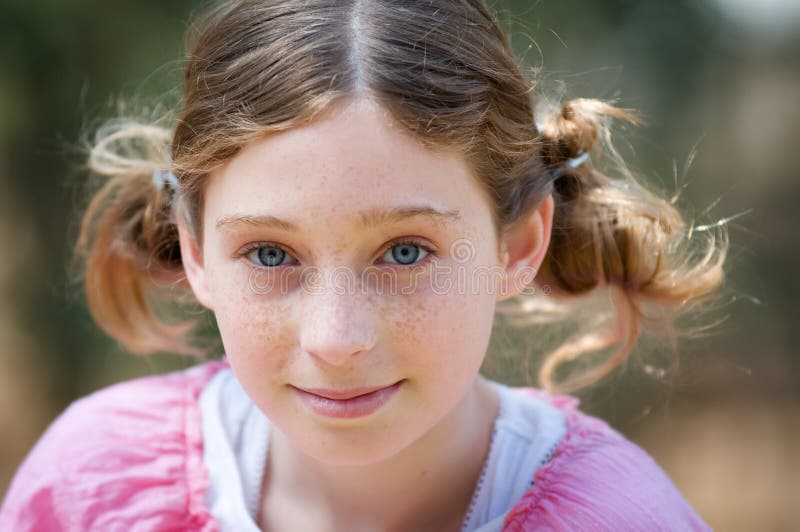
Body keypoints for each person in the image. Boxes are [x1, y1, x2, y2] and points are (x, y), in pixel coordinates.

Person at [0, 1, 727, 530]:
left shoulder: (620, 519)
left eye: (406, 252)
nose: (336, 338)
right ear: (196, 254)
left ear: (516, 245)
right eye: (270, 253)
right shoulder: (88, 489)